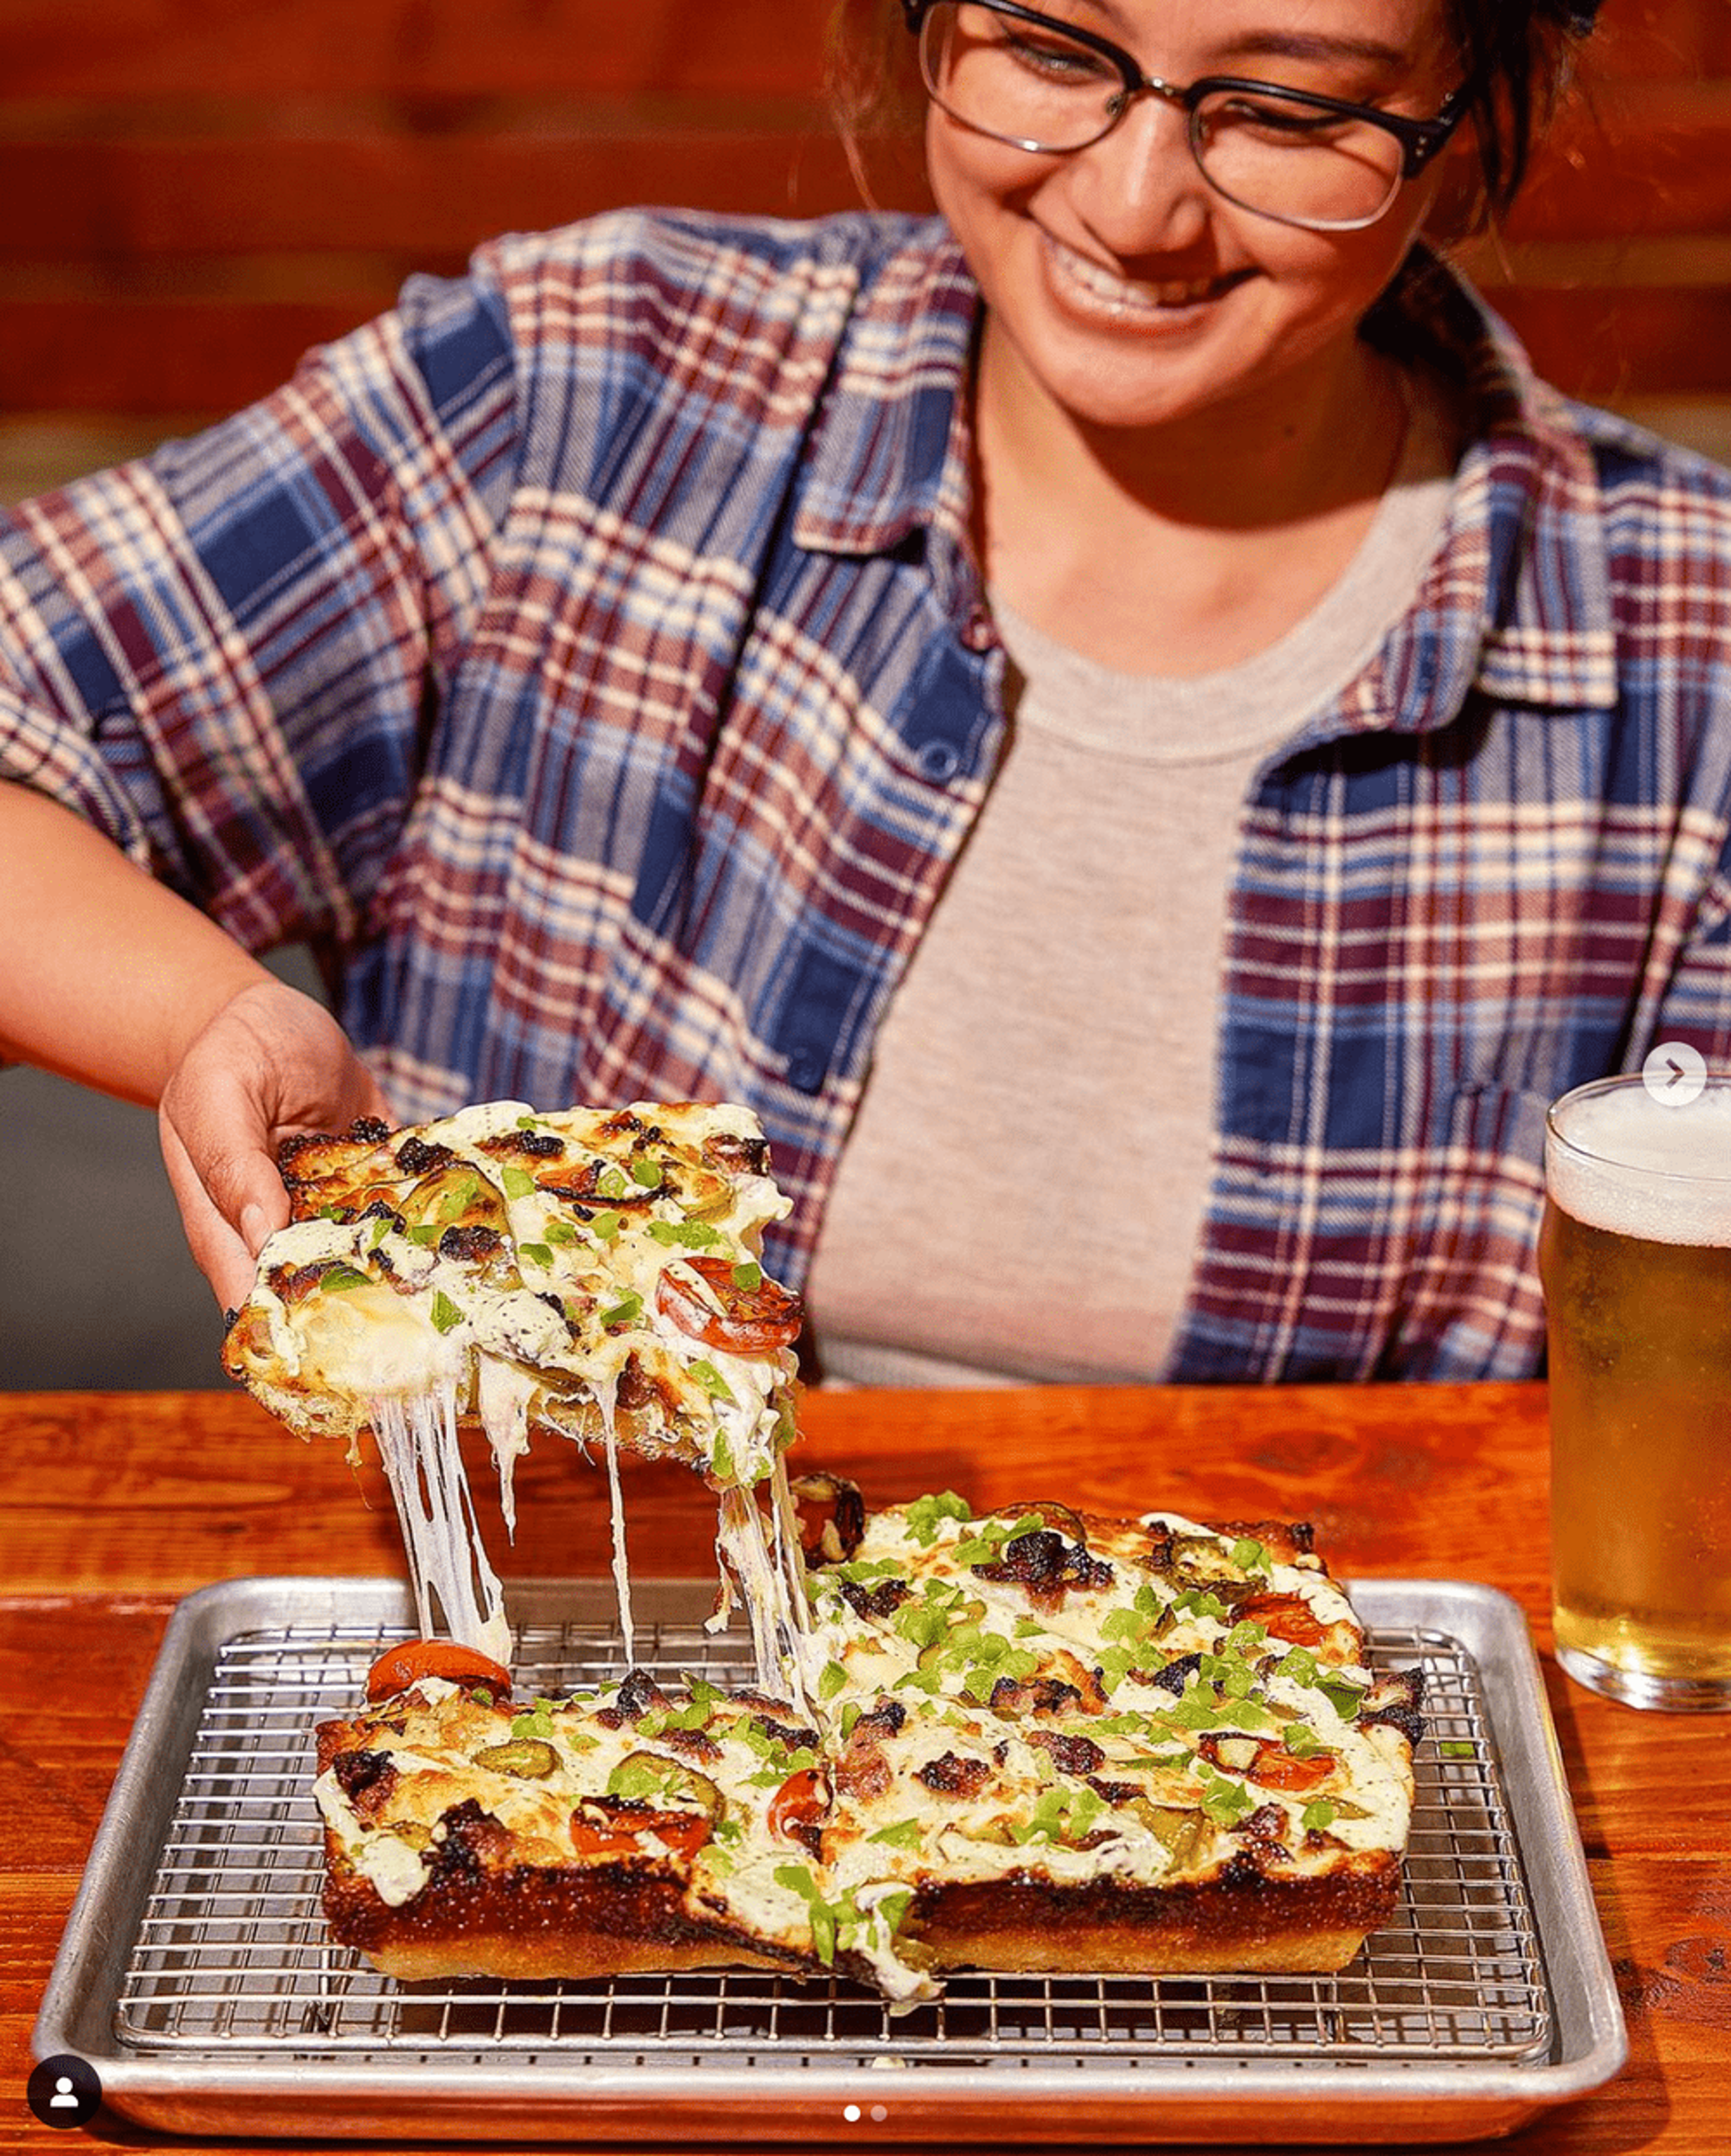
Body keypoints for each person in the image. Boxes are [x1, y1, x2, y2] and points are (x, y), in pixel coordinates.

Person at [4, 0, 1729, 1390]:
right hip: (556, 1727)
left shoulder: (1687, 638)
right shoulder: (598, 386)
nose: (1135, 207)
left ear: (1474, 123)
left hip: (1275, 1748)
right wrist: (208, 1020)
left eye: (1284, 110)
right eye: (1053, 49)